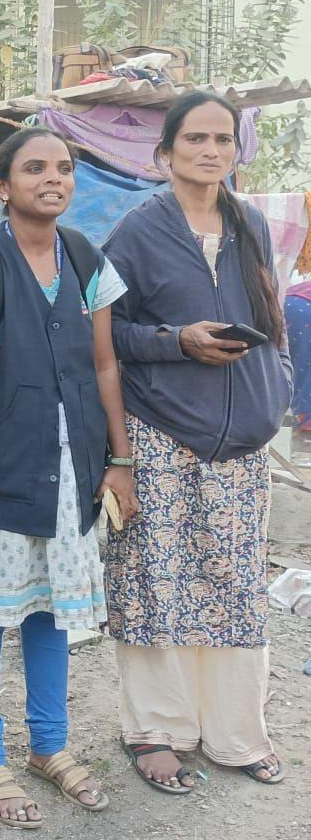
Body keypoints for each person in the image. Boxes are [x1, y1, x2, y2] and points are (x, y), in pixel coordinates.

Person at [0, 127, 137, 829]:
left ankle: (49, 747)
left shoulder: (85, 258)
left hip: (70, 471)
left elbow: (105, 366)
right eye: (36, 167)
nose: (55, 177)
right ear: (4, 186)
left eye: (65, 167)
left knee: (49, 611)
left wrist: (120, 461)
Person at [104, 91, 293, 793]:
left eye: (222, 139)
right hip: (159, 432)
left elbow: (271, 320)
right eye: (195, 139)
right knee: (158, 577)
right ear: (165, 153)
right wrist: (175, 341)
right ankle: (157, 730)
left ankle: (236, 733)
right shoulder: (136, 230)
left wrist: (275, 391)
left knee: (234, 581)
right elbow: (108, 333)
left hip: (242, 441)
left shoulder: (250, 226)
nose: (211, 150)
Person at [285, 278, 311, 465]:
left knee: (288, 366)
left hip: (283, 303)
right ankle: (305, 432)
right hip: (305, 312)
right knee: (306, 369)